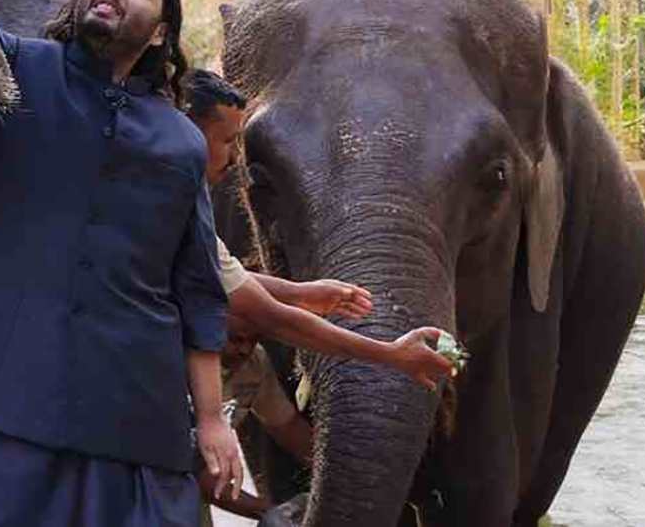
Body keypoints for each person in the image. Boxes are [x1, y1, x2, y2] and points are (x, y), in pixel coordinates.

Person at [0, 0, 242, 527]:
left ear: (160, 34)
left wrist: (212, 418)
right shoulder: (5, 70)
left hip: (125, 417)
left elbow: (196, 289)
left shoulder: (181, 143)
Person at [184, 69, 455, 522]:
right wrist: (390, 355)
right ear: (188, 136)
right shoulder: (174, 215)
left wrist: (302, 292)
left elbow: (232, 281)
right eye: (227, 141)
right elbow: (274, 318)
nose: (233, 159)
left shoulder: (186, 216)